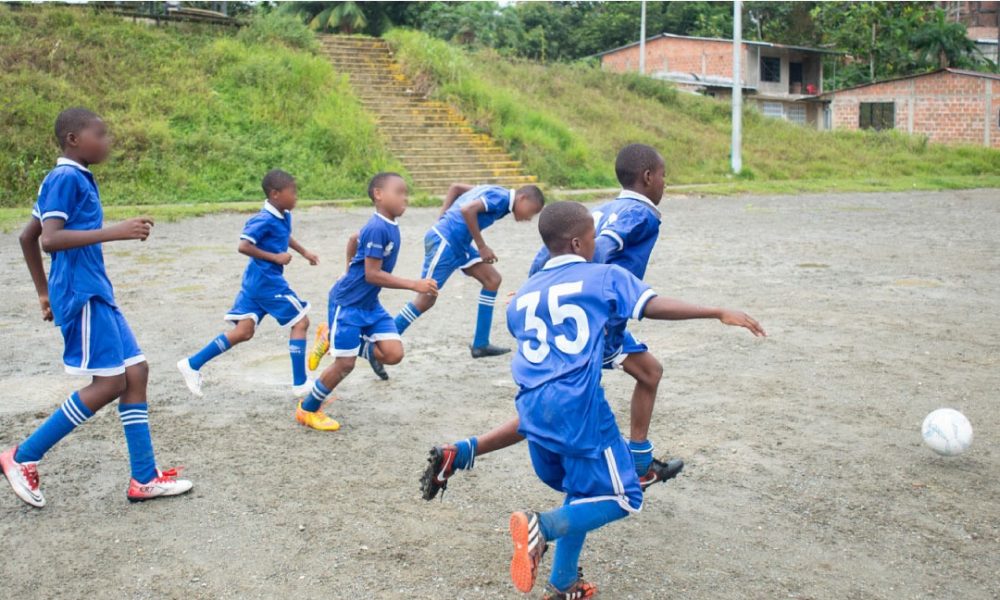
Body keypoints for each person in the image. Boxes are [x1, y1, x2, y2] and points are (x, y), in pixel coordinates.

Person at [499, 201, 765, 598]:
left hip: (532, 410)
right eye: (592, 238)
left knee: (586, 490)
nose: (596, 244)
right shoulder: (604, 275)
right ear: (577, 242)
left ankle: (564, 583)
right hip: (580, 410)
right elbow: (652, 307)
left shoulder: (521, 298)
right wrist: (716, 311)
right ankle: (543, 526)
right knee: (626, 497)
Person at [421, 144, 687, 499]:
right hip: (592, 322)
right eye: (664, 176)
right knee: (579, 403)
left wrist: (537, 286)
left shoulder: (602, 208)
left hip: (581, 316)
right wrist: (584, 288)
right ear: (649, 177)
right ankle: (628, 472)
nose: (666, 184)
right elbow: (603, 250)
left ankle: (462, 451)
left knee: (570, 398)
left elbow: (548, 253)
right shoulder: (643, 215)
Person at [2, 108, 192, 507]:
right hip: (82, 292)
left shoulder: (75, 178)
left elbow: (26, 237)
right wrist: (117, 232)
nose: (107, 141)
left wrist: (42, 293)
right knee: (109, 383)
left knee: (135, 370)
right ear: (73, 139)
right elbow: (48, 240)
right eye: (100, 134)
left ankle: (143, 478)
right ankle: (22, 456)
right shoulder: (65, 177)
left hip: (93, 291)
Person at [295, 173, 438, 431]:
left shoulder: (388, 225)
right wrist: (414, 284)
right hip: (348, 304)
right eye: (399, 191)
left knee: (393, 353)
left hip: (370, 305)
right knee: (344, 364)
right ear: (378, 195)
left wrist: (348, 267)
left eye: (406, 192)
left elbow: (353, 239)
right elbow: (372, 274)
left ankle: (332, 339)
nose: (404, 197)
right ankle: (307, 410)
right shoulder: (377, 227)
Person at [177, 169, 318, 398]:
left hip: (254, 281)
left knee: (244, 331)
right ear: (275, 194)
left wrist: (304, 252)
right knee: (301, 322)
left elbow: (284, 236)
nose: (296, 197)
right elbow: (243, 246)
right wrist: (276, 258)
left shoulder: (284, 215)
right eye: (292, 192)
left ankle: (192, 364)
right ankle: (300, 383)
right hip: (267, 282)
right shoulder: (263, 219)